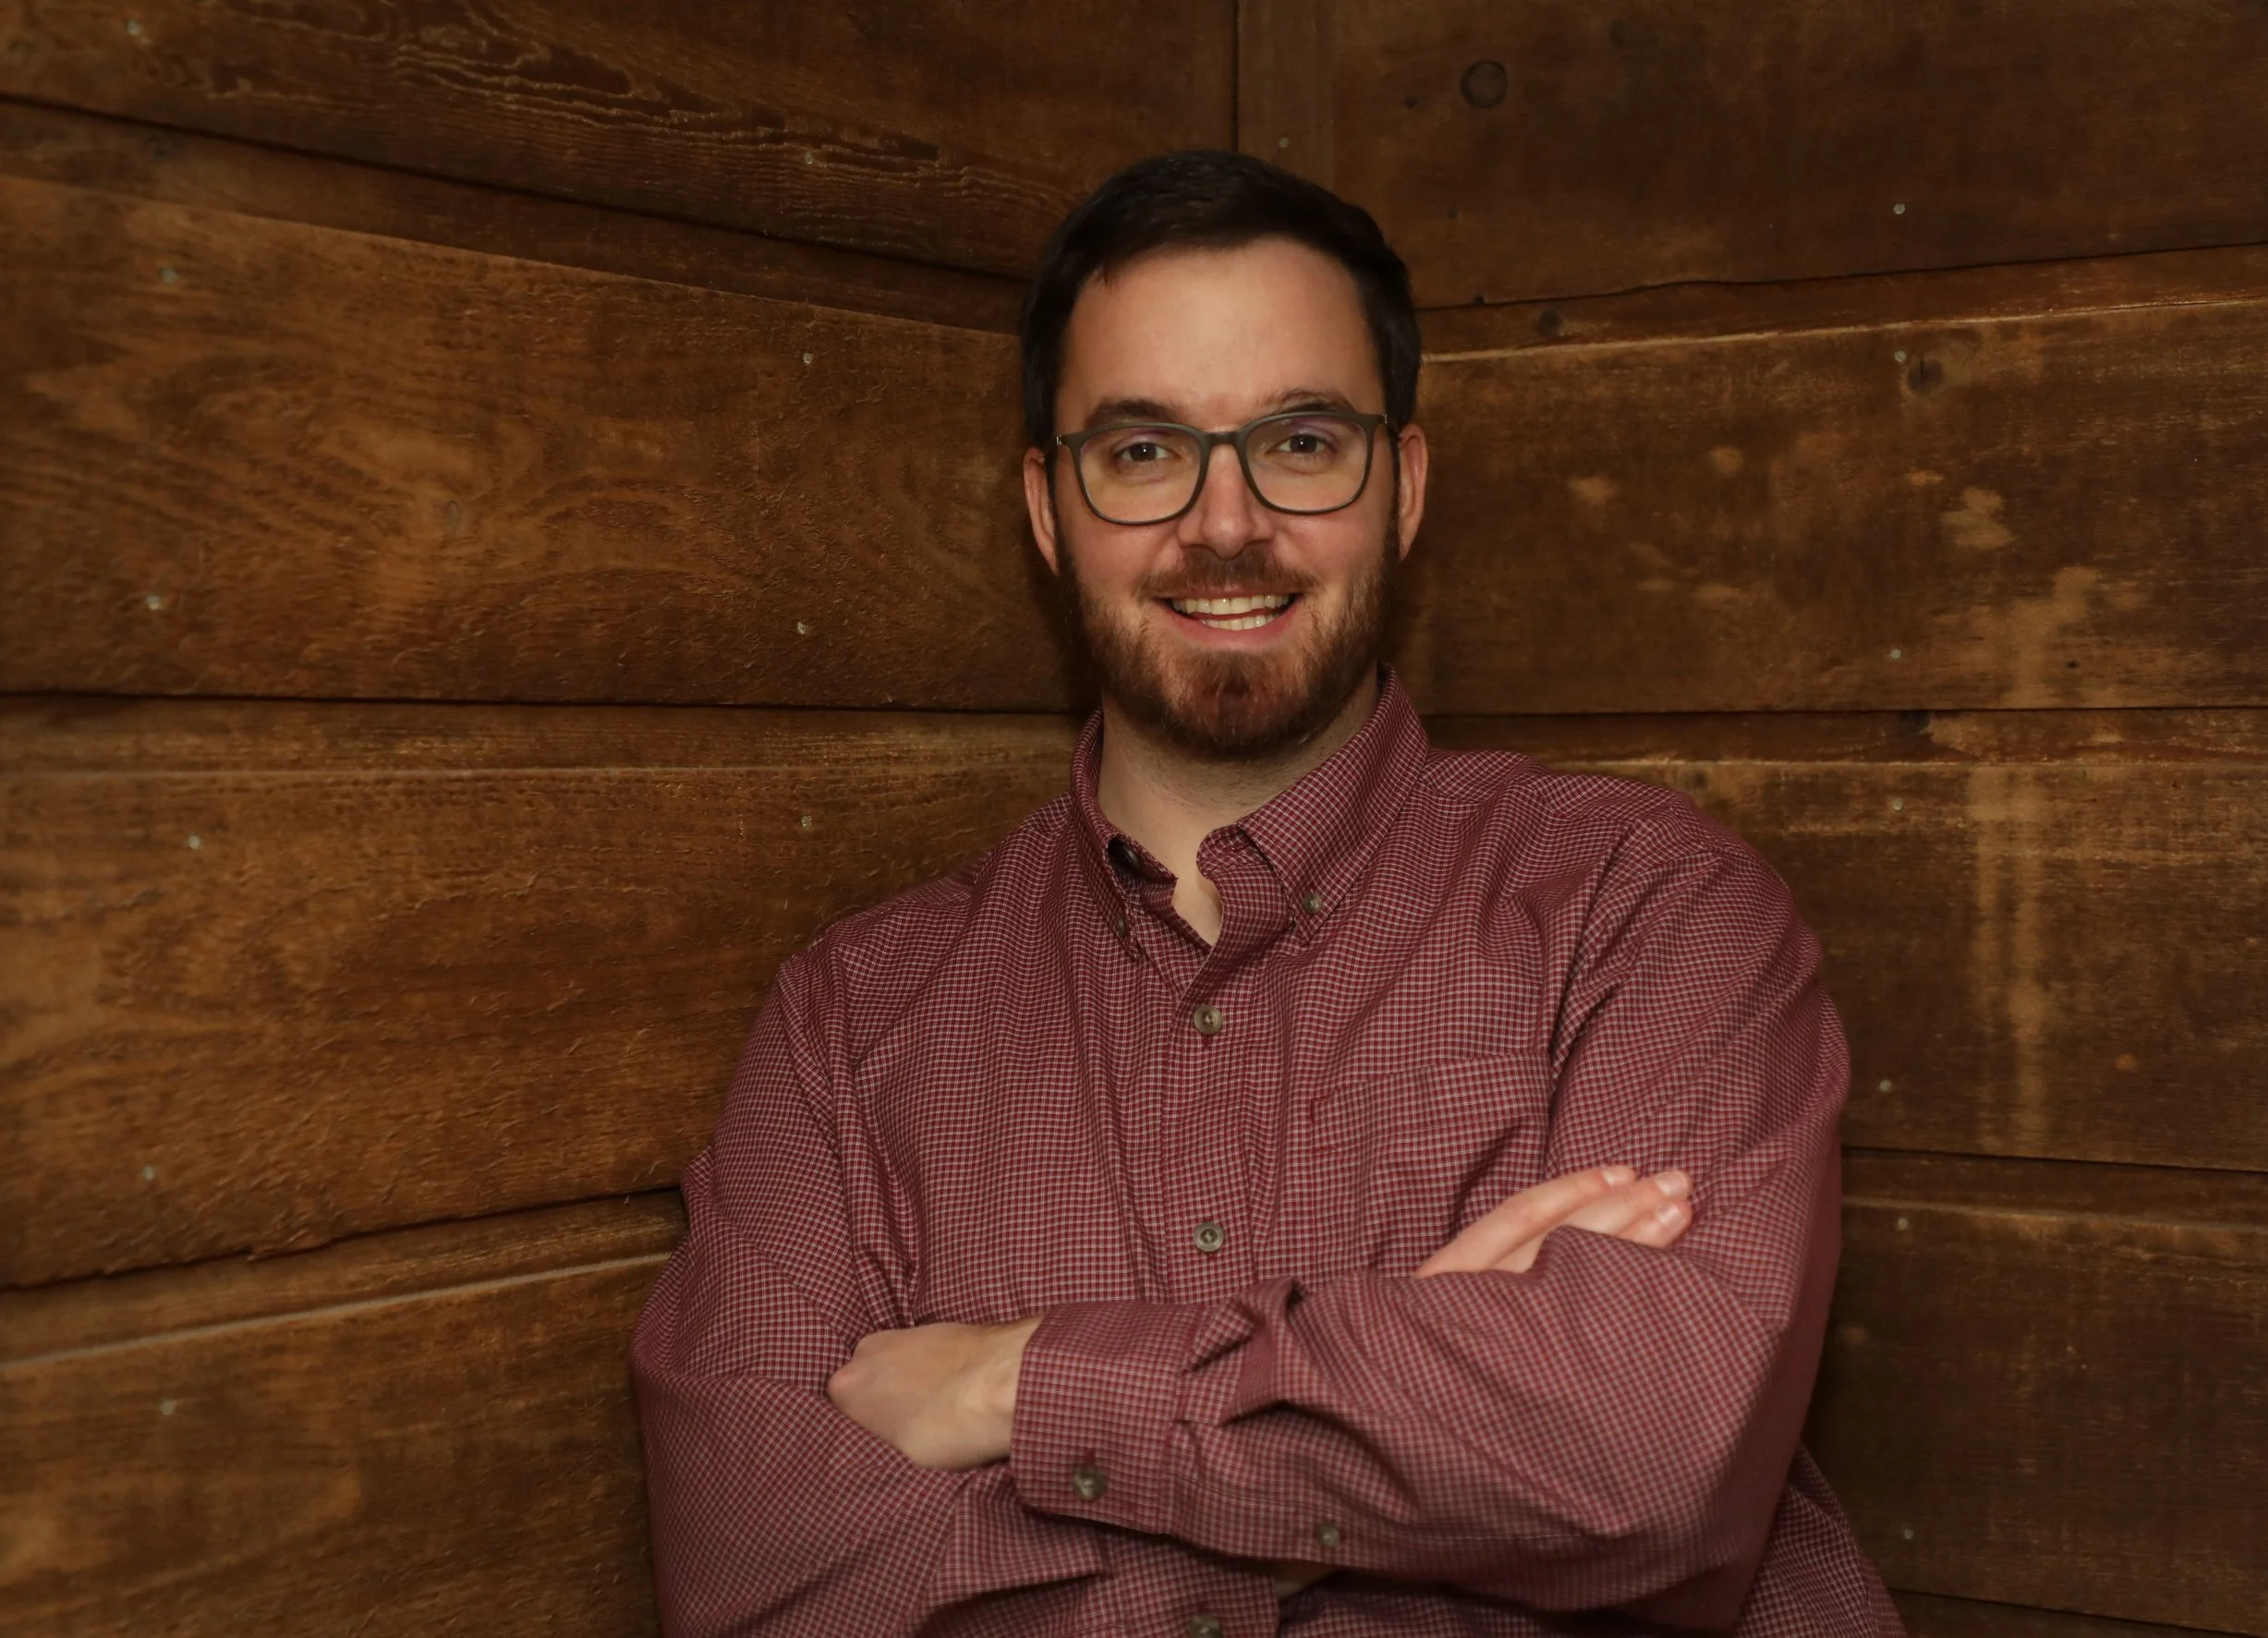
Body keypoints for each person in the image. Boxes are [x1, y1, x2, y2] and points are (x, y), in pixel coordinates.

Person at [630, 150, 1900, 1636]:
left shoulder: (1650, 915)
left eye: (1299, 442)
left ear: (1402, 484)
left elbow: (1644, 1470)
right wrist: (1405, 1445)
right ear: (1049, 511)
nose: (1226, 524)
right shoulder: (851, 1029)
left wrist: (1013, 1384)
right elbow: (761, 1582)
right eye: (1144, 450)